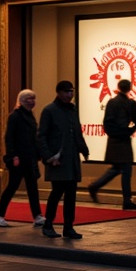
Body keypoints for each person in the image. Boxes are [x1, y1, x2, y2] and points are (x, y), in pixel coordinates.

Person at [37, 80, 88, 240]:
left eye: (71, 91)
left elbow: (77, 131)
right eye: (67, 92)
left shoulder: (72, 110)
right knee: (57, 192)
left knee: (71, 194)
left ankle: (68, 227)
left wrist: (83, 149)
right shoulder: (49, 111)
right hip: (57, 160)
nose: (70, 95)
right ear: (58, 92)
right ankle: (48, 224)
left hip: (71, 160)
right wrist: (48, 157)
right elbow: (41, 136)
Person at [87, 79, 136, 210]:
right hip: (123, 140)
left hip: (114, 140)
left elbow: (107, 123)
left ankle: (95, 186)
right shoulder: (130, 103)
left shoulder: (112, 102)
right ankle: (127, 200)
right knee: (125, 170)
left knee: (117, 168)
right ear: (129, 88)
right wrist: (131, 129)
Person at [0, 89, 45, 228]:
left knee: (32, 187)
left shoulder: (30, 115)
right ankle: (0, 215)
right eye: (29, 99)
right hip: (19, 158)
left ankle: (37, 215)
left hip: (29, 157)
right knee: (12, 186)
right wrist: (12, 155)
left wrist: (37, 153)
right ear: (22, 100)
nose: (32, 101)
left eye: (33, 98)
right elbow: (9, 138)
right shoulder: (15, 116)